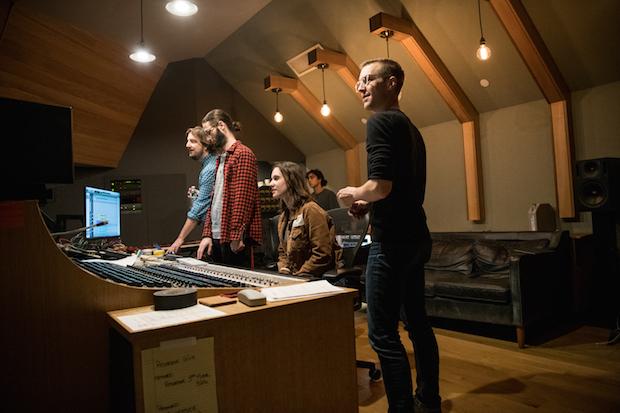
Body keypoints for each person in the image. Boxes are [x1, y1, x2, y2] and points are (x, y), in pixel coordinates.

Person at [337, 59, 441, 413]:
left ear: (392, 83)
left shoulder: (381, 121)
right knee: (418, 326)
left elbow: (380, 185)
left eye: (368, 79)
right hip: (416, 237)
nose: (360, 87)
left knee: (382, 333)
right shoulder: (411, 128)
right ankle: (429, 401)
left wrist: (354, 193)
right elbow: (400, 191)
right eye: (358, 82)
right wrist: (368, 204)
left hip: (392, 243)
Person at [197, 109, 262, 268]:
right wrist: (207, 234)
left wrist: (236, 235)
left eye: (209, 131)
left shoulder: (243, 154)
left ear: (221, 125)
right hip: (219, 235)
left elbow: (243, 199)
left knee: (239, 289)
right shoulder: (221, 158)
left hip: (234, 239)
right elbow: (214, 200)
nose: (208, 137)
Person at [270, 161, 339, 277]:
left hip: (313, 278)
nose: (271, 184)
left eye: (276, 179)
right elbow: (282, 252)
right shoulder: (284, 217)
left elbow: (322, 254)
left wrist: (297, 276)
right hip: (294, 277)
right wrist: (283, 269)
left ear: (291, 181)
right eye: (271, 179)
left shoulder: (311, 210)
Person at [167, 126, 217, 254]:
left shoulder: (209, 169)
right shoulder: (209, 166)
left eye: (193, 141)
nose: (187, 145)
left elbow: (198, 210)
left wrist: (180, 239)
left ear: (205, 145)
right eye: (187, 141)